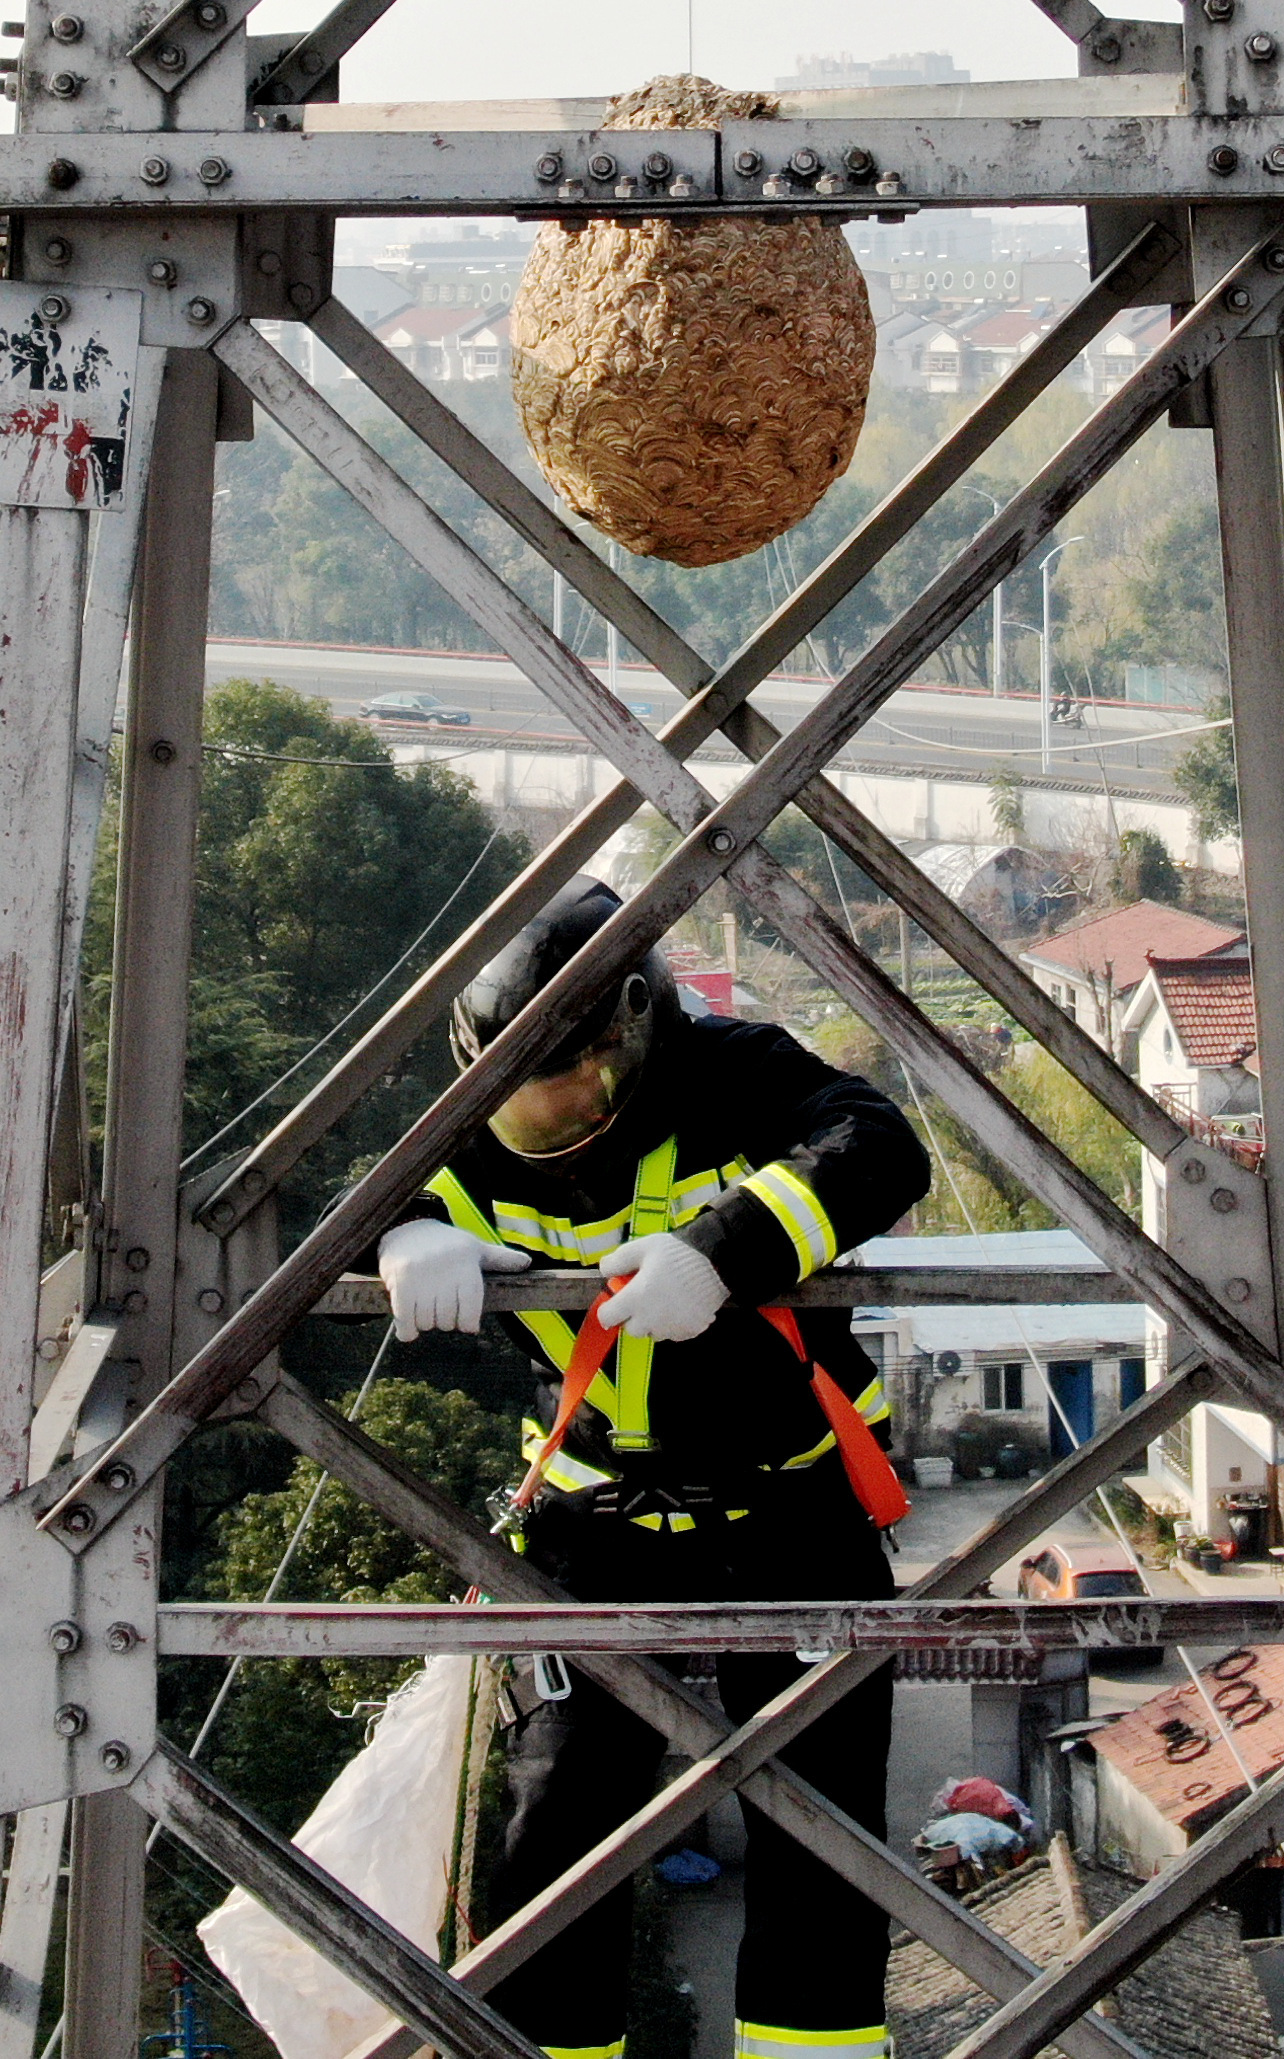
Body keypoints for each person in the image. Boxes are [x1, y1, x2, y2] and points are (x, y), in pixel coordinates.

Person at [375, 881, 929, 2059]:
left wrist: (726, 1249)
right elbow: (337, 1209)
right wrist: (401, 1233)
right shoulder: (474, 1123)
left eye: (571, 1083)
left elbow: (880, 1149)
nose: (553, 1119)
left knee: (822, 1830)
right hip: (595, 1526)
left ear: (631, 1027)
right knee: (557, 1828)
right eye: (527, 1095)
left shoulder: (735, 1075)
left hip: (792, 1506)